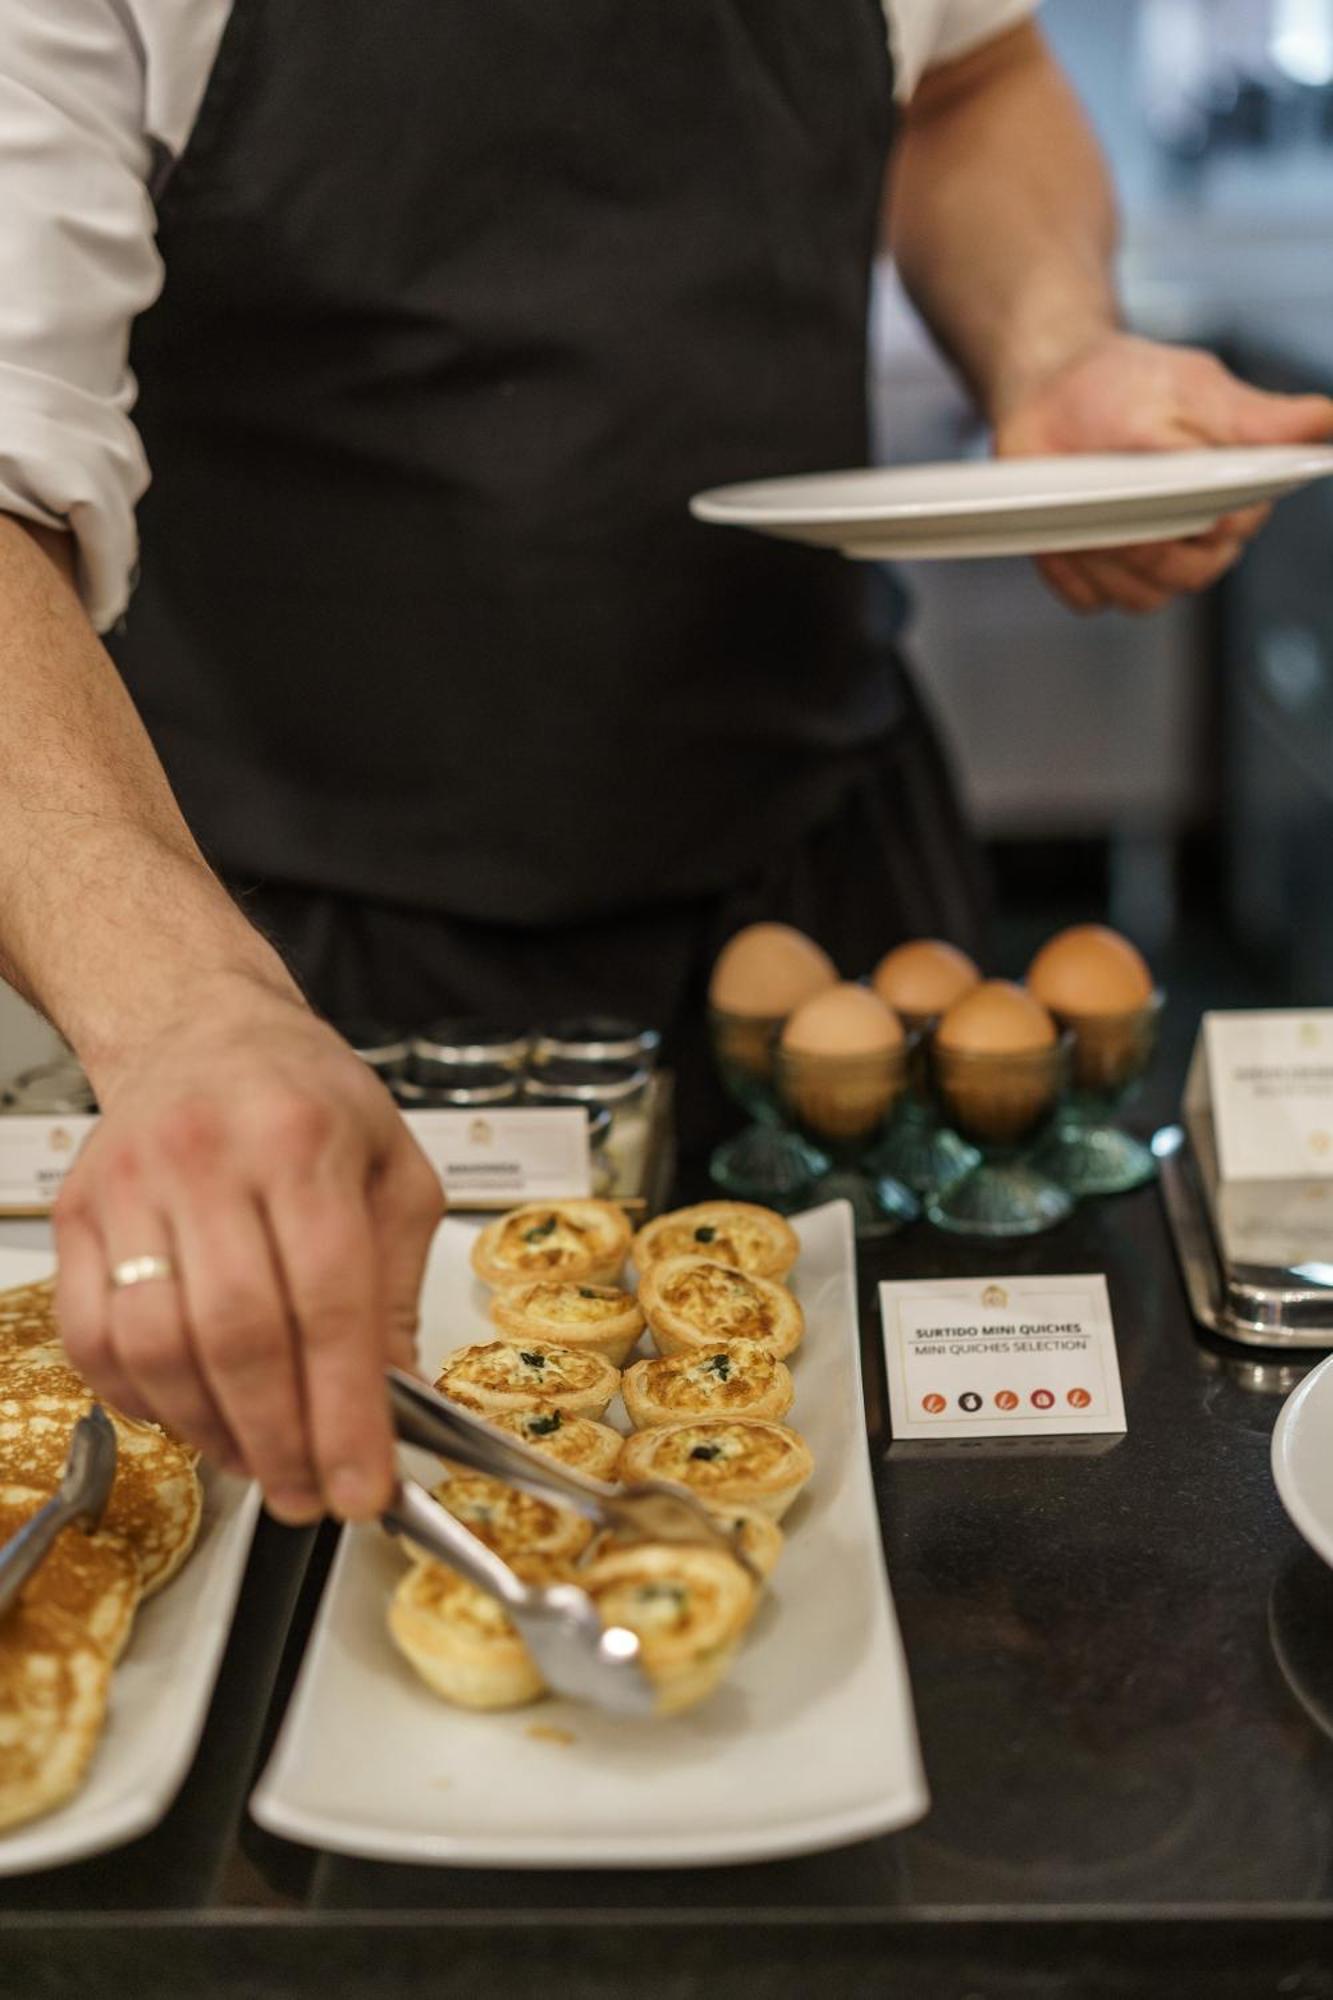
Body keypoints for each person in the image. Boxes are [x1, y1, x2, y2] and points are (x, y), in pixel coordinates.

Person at [0, 1, 1326, 1527]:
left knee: (928, 1563)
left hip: (827, 862)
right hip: (293, 972)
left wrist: (1050, 340)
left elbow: (971, 78)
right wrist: (192, 1017)